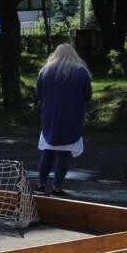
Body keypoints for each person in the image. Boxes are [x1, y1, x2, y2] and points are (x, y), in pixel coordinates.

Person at [35, 43, 92, 196]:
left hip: (50, 116)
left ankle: (40, 184)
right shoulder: (81, 72)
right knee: (64, 153)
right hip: (71, 116)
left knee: (48, 151)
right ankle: (57, 187)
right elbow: (88, 95)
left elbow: (38, 94)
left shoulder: (45, 71)